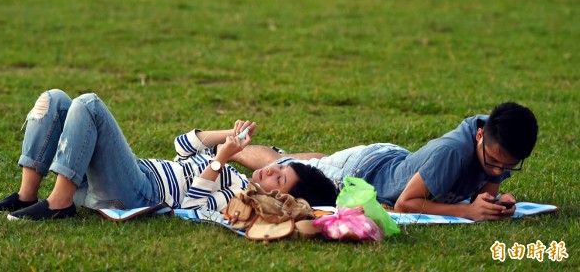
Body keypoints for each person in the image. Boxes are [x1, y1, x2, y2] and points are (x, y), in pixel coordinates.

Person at [0, 89, 336, 221]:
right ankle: (25, 196)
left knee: (88, 104)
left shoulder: (240, 202)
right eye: (278, 168)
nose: (269, 173)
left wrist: (219, 161)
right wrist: (229, 137)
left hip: (137, 192)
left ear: (284, 196)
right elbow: (183, 145)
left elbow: (192, 205)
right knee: (57, 99)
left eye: (280, 178)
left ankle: (59, 204)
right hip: (133, 172)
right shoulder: (237, 172)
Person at [231, 102, 539, 222]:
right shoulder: (454, 152)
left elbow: (481, 193)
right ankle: (231, 147)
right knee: (281, 168)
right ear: (480, 135)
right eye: (495, 163)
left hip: (386, 160)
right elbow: (406, 204)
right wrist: (468, 212)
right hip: (361, 172)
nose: (499, 171)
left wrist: (495, 201)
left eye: (508, 167)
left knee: (317, 161)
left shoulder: (500, 140)